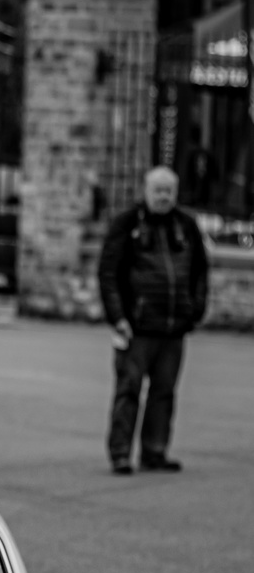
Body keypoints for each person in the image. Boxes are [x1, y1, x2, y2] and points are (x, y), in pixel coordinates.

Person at [97, 166, 208, 475]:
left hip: (173, 327)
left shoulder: (186, 226)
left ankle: (154, 451)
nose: (163, 196)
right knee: (128, 390)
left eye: (168, 191)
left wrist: (196, 309)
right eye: (158, 190)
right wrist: (117, 316)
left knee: (164, 392)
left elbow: (200, 271)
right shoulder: (127, 224)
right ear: (145, 191)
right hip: (136, 325)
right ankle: (121, 453)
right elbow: (109, 273)